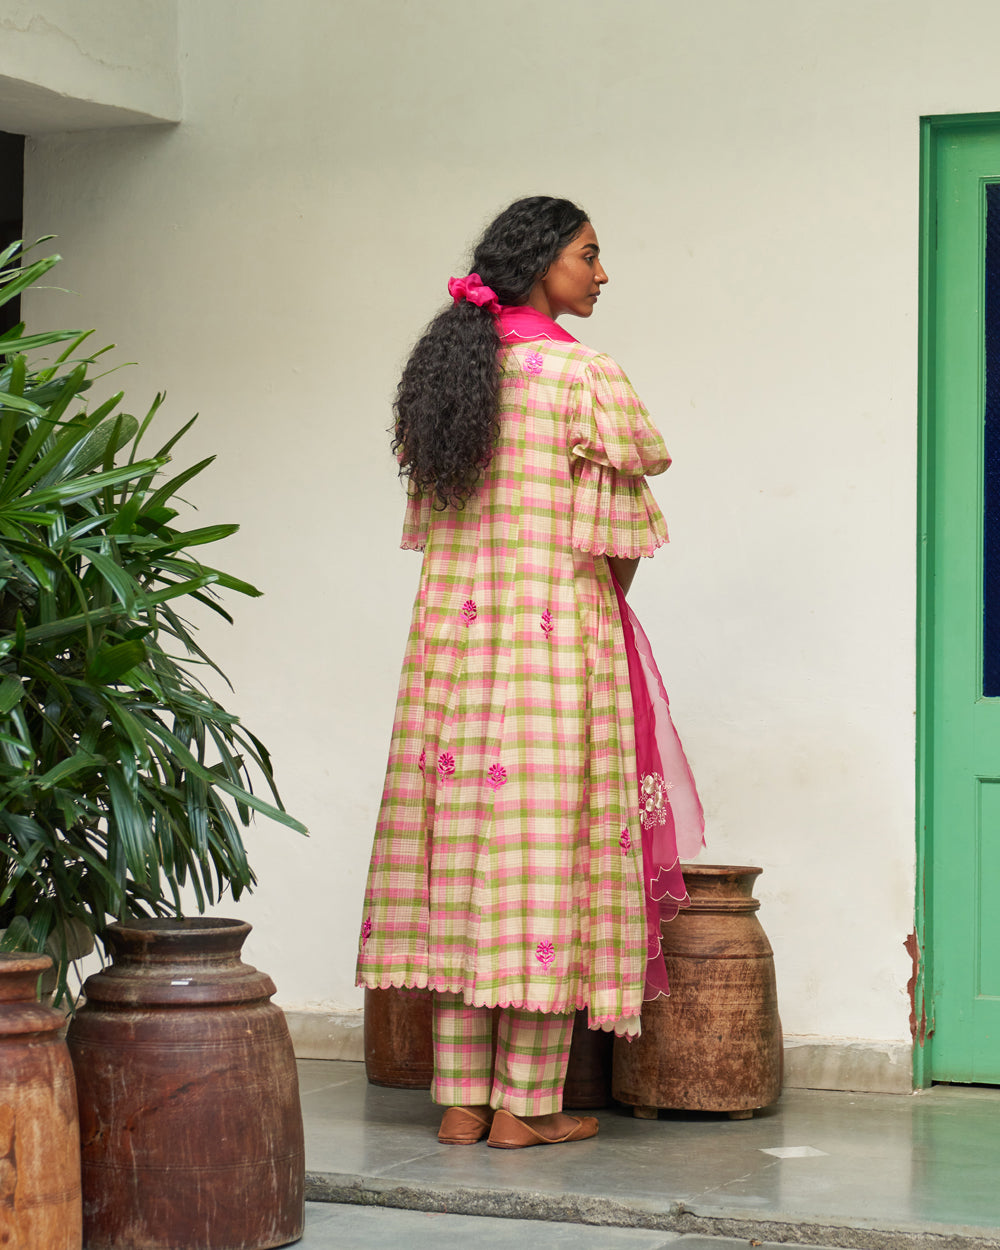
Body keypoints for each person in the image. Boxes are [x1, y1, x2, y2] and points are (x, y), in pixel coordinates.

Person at [356, 196, 703, 1150]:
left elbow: (432, 534)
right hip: (554, 651)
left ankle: (460, 1103)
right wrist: (590, 609)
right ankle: (527, 1106)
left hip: (453, 659)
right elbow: (622, 544)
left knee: (467, 862)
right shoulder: (584, 378)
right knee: (548, 863)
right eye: (590, 256)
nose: (601, 274)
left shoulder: (445, 381)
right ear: (544, 261)